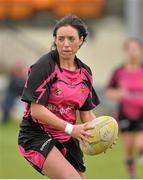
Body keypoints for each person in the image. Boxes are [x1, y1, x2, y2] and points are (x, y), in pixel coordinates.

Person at [18, 15, 100, 179]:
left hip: (68, 137)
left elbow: (86, 113)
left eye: (71, 38)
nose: (66, 44)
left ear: (81, 40)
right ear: (55, 40)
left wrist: (101, 133)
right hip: (36, 135)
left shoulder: (85, 73)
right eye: (61, 39)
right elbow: (37, 111)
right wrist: (72, 128)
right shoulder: (44, 66)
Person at [106, 38, 143, 179]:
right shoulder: (118, 72)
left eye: (136, 49)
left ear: (140, 51)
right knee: (128, 148)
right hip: (125, 113)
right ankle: (132, 175)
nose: (133, 53)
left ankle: (141, 154)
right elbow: (109, 92)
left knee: (140, 144)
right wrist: (119, 94)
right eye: (130, 49)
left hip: (141, 113)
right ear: (125, 52)